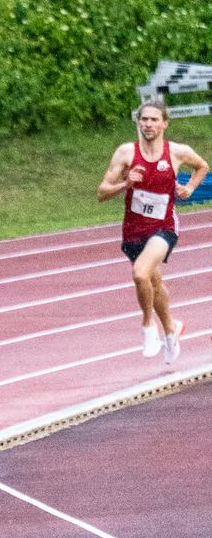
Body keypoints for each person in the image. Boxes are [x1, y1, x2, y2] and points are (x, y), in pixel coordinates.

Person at [98, 98, 207, 364]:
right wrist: (126, 183)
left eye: (154, 119)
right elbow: (101, 193)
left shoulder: (176, 152)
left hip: (164, 226)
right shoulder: (125, 153)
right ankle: (171, 328)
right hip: (134, 230)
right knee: (153, 283)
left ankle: (148, 327)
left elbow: (202, 166)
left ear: (164, 124)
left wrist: (190, 188)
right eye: (144, 119)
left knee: (140, 274)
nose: (148, 124)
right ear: (139, 122)